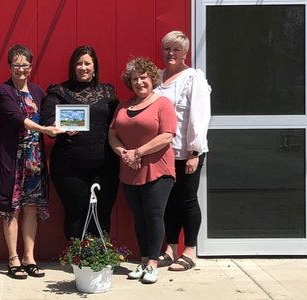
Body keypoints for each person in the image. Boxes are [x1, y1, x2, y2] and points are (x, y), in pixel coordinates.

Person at [0, 44, 64, 280]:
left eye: (25, 65)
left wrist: (67, 126)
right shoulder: (3, 91)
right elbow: (17, 118)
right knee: (11, 209)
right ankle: (13, 258)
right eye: (17, 65)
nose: (21, 69)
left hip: (34, 159)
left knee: (31, 208)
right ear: (9, 66)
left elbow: (48, 114)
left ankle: (29, 257)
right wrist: (44, 128)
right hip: (13, 158)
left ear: (31, 66)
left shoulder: (37, 90)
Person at [108, 57, 177, 284]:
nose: (139, 82)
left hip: (158, 169)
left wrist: (138, 152)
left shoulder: (163, 103)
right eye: (135, 79)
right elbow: (112, 134)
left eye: (143, 77)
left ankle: (153, 264)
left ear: (152, 78)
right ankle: (144, 260)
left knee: (154, 215)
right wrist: (124, 154)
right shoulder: (123, 105)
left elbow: (167, 135)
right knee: (139, 217)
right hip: (130, 169)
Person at [40, 46, 119, 241]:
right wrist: (58, 126)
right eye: (79, 63)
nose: (83, 67)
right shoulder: (59, 92)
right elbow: (47, 120)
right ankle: (77, 258)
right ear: (73, 66)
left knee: (102, 210)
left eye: (87, 63)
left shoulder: (107, 92)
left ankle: (100, 258)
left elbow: (119, 122)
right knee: (77, 209)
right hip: (69, 166)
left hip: (104, 166)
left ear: (94, 67)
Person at [154, 31, 211, 271]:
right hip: (163, 152)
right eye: (167, 48)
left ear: (185, 53)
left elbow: (198, 115)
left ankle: (190, 249)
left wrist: (194, 152)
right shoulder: (157, 77)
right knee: (168, 202)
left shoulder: (193, 78)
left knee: (187, 200)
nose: (171, 53)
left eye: (176, 49)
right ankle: (170, 247)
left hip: (187, 151)